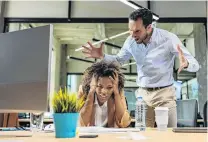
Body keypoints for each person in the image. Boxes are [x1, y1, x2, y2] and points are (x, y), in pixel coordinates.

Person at [81, 8, 199, 127]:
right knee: (143, 136)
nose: (133, 35)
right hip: (143, 96)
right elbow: (118, 61)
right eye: (130, 30)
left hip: (164, 94)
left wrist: (187, 64)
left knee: (168, 135)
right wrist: (102, 56)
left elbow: (196, 65)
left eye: (137, 31)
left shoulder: (168, 39)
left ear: (149, 28)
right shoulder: (130, 41)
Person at [78, 60, 131, 128]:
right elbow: (82, 123)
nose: (104, 92)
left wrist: (116, 94)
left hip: (109, 136)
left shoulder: (118, 92)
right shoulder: (84, 91)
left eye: (109, 87)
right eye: (100, 86)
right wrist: (91, 92)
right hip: (90, 136)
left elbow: (125, 123)